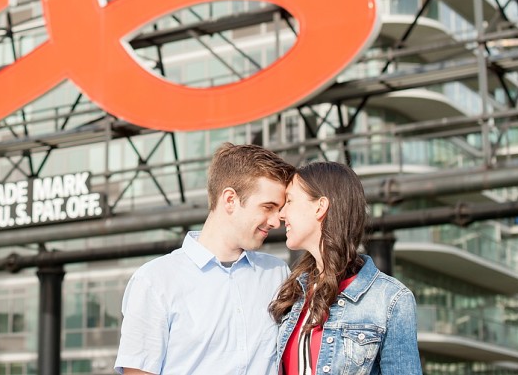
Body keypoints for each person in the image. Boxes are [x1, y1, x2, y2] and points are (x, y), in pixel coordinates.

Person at [114, 142, 295, 375]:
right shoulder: (154, 281)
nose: (275, 222)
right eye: (268, 207)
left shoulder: (278, 274)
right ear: (230, 200)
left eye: (279, 210)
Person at [270, 161, 422, 374]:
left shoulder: (391, 299)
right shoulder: (293, 293)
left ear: (320, 206)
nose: (281, 214)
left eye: (290, 201)